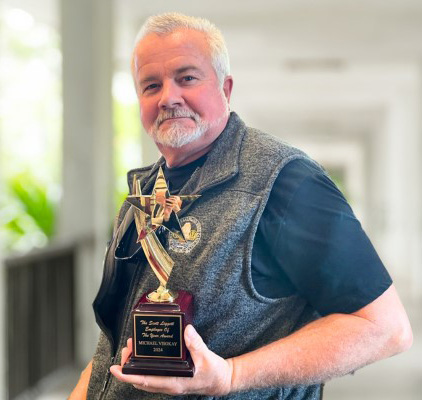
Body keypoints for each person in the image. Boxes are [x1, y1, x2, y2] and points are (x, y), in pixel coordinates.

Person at [70, 12, 413, 400]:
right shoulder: (145, 192)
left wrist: (231, 374)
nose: (168, 97)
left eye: (187, 78)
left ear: (225, 88)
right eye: (151, 85)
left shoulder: (285, 182)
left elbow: (384, 328)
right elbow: (115, 335)